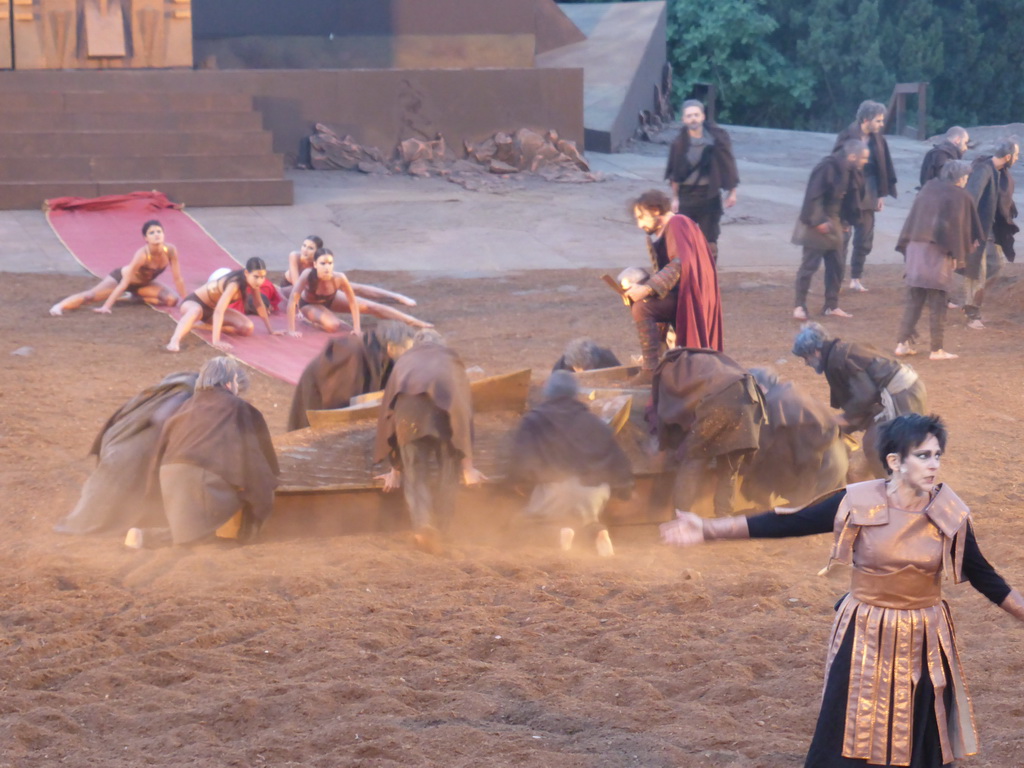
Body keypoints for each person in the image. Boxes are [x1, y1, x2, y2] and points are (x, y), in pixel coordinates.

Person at [661, 413, 1024, 768]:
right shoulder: (857, 501)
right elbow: (788, 522)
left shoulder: (949, 513)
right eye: (923, 455)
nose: (934, 465)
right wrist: (708, 529)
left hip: (924, 633)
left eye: (937, 455)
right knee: (851, 718)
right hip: (865, 627)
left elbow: (984, 576)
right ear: (895, 461)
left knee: (918, 721)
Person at [126, 357, 278, 548]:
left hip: (169, 477)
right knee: (202, 530)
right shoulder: (237, 407)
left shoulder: (184, 407)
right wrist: (262, 503)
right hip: (202, 478)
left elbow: (159, 453)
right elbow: (257, 462)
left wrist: (154, 494)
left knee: (189, 527)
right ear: (230, 382)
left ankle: (144, 536)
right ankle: (242, 537)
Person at [374, 330, 486, 552]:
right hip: (444, 417)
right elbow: (463, 410)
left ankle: (422, 527)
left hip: (409, 417)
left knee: (415, 474)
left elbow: (389, 410)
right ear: (441, 343)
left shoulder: (405, 361)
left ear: (415, 345)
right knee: (448, 472)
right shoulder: (450, 359)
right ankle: (442, 531)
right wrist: (468, 467)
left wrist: (395, 469)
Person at [55, 371, 198, 536]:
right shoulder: (185, 393)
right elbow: (161, 417)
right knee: (111, 501)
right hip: (131, 454)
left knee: (101, 494)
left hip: (114, 445)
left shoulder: (153, 396)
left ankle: (85, 520)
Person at [507, 371, 633, 556]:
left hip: (554, 490)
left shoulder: (534, 420)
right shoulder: (594, 422)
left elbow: (521, 460)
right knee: (586, 522)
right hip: (594, 492)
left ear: (548, 392)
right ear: (575, 392)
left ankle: (557, 534)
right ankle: (597, 532)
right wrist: (625, 491)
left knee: (525, 525)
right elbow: (619, 461)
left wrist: (517, 483)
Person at [792, 322, 926, 477]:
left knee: (876, 445)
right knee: (875, 439)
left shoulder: (838, 359)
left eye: (805, 357)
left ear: (815, 352)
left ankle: (891, 488)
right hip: (901, 392)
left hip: (903, 395)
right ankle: (867, 478)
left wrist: (846, 418)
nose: (806, 363)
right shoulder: (841, 352)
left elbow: (865, 396)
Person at [652, 347, 766, 517]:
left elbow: (670, 409)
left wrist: (665, 440)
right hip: (750, 399)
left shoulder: (670, 367)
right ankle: (724, 517)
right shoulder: (709, 359)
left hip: (722, 401)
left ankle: (681, 518)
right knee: (729, 469)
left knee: (694, 459)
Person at [626, 190, 722, 383]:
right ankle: (660, 362)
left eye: (641, 217)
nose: (640, 224)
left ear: (655, 210)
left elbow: (679, 264)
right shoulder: (672, 228)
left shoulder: (678, 224)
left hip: (692, 298)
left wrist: (646, 289)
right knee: (646, 303)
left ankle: (650, 371)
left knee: (643, 307)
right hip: (682, 295)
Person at [895, 160, 983, 360]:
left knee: (914, 301)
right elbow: (958, 230)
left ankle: (901, 344)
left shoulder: (928, 189)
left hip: (915, 251)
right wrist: (957, 254)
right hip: (937, 254)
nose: (966, 181)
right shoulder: (959, 196)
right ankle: (937, 349)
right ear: (960, 178)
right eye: (966, 177)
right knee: (938, 302)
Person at [743, 367, 847, 509]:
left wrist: (745, 472)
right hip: (838, 460)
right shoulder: (792, 391)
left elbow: (762, 448)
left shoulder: (773, 404)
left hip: (821, 469)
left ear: (760, 387)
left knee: (805, 515)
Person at [287, 321, 416, 431]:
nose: (408, 357)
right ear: (391, 347)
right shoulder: (352, 352)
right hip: (319, 400)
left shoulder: (378, 353)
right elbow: (337, 404)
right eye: (407, 350)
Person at [793, 140, 868, 320]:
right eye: (863, 158)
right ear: (852, 156)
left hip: (835, 222)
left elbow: (849, 199)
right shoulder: (827, 167)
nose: (865, 161)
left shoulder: (851, 171)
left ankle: (831, 305)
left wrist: (845, 220)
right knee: (809, 265)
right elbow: (813, 195)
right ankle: (799, 306)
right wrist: (818, 221)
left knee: (837, 265)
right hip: (817, 222)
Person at [49, 219, 186, 316]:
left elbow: (178, 278)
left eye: (159, 231)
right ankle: (60, 306)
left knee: (172, 300)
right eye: (152, 233)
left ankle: (133, 296)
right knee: (91, 296)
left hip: (144, 284)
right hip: (121, 280)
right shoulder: (142, 255)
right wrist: (106, 306)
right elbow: (124, 282)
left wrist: (186, 300)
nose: (156, 234)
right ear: (146, 238)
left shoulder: (171, 250)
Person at [833, 100, 898, 292]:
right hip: (848, 191)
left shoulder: (879, 139)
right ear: (866, 119)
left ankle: (855, 278)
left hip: (870, 190)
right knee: (842, 239)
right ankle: (836, 280)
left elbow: (884, 167)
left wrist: (881, 194)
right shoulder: (846, 136)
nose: (881, 124)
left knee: (864, 239)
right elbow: (835, 166)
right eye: (878, 120)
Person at [288, 248, 431, 334]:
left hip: (331, 299)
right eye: (323, 264)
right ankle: (312, 322)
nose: (327, 267)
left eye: (330, 263)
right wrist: (292, 327)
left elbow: (352, 301)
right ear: (315, 264)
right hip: (309, 304)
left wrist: (356, 328)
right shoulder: (307, 274)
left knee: (372, 306)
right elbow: (294, 298)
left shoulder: (339, 277)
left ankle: (413, 321)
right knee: (333, 326)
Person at [663, 99, 739, 261]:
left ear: (703, 116)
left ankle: (709, 279)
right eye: (689, 116)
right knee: (682, 242)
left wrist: (732, 192)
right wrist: (674, 198)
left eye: (696, 115)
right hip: (686, 196)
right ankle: (686, 279)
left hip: (709, 196)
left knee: (709, 243)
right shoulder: (679, 144)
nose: (693, 119)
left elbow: (728, 165)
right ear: (683, 120)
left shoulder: (717, 140)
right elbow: (674, 173)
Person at [165, 257, 284, 352]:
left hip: (212, 310)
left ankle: (198, 325)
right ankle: (174, 340)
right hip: (194, 303)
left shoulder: (254, 285)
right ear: (247, 273)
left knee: (247, 328)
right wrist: (216, 340)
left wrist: (271, 330)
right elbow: (219, 311)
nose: (259, 281)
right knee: (196, 310)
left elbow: (259, 305)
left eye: (263, 277)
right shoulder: (234, 284)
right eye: (256, 277)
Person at [962, 139, 1019, 329]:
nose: (1018, 159)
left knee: (998, 264)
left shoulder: (1001, 172)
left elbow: (1001, 199)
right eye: (1017, 155)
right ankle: (972, 313)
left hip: (992, 229)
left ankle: (972, 299)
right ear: (1008, 157)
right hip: (978, 228)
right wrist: (970, 233)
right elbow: (970, 200)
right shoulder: (983, 170)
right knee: (978, 269)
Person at [282, 234, 420, 308]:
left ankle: (398, 297)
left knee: (353, 286)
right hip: (292, 290)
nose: (305, 250)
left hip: (310, 290)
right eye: (304, 245)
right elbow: (296, 284)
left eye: (310, 248)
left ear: (317, 251)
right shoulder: (295, 256)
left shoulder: (320, 262)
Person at [552, 338, 621, 374]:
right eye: (577, 368)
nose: (582, 372)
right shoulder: (561, 367)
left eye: (587, 368)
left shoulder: (607, 359)